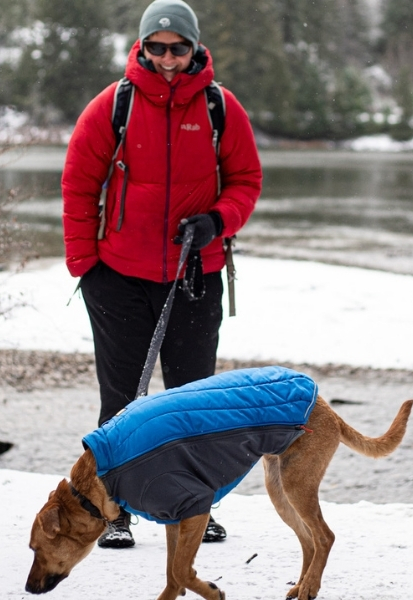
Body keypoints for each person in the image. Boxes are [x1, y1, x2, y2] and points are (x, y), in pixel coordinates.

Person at [61, 0, 262, 549]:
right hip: (119, 278)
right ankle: (117, 508)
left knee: (193, 399)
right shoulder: (113, 106)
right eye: (157, 47)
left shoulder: (221, 107)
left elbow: (246, 179)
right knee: (123, 400)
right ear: (142, 46)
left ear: (195, 48)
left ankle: (196, 508)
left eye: (179, 48)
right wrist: (86, 267)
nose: (168, 59)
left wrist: (218, 220)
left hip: (195, 275)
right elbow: (79, 185)